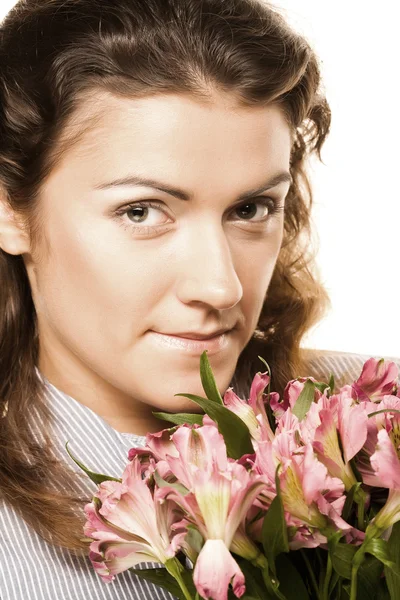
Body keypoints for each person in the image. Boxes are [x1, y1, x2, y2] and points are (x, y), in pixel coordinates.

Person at [0, 0, 398, 598]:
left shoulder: (380, 424)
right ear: (10, 208)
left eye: (250, 209)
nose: (221, 287)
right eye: (141, 211)